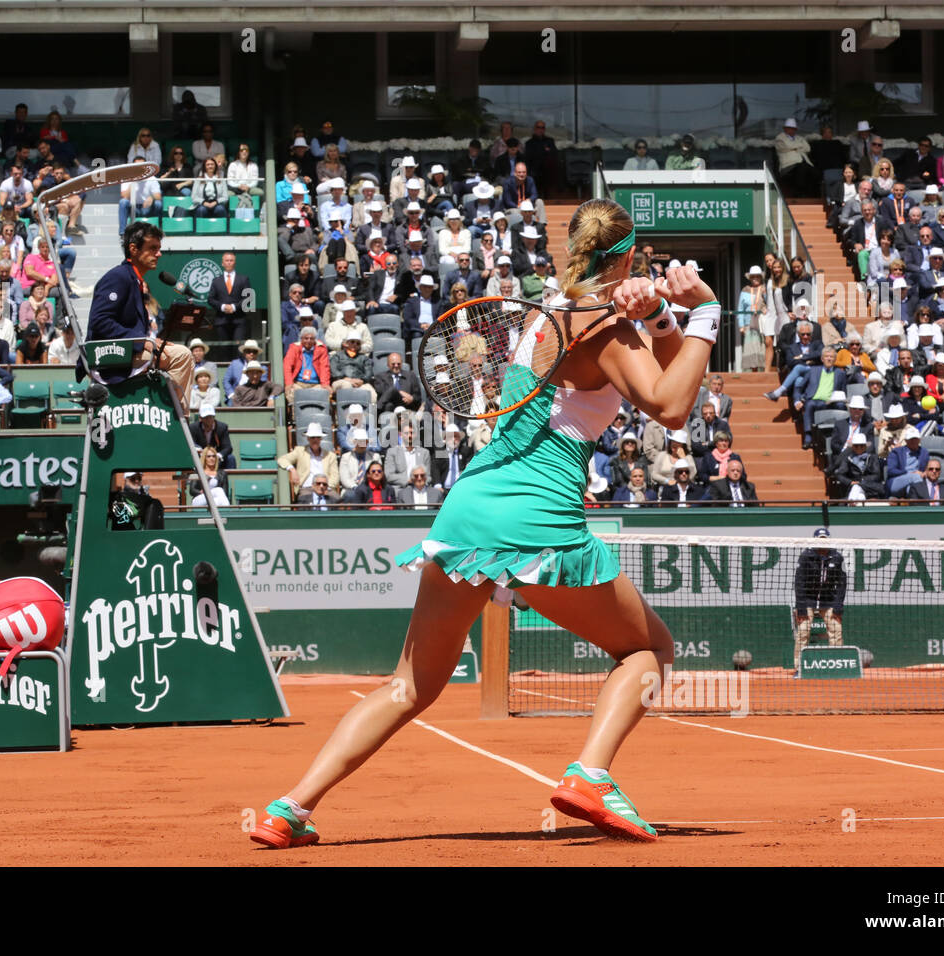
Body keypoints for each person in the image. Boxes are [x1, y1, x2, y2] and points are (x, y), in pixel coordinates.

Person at [250, 199, 719, 848]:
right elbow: (671, 406)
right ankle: (590, 774)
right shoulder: (604, 329)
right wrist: (708, 314)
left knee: (407, 685)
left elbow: (654, 362)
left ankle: (289, 808)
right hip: (535, 518)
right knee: (647, 650)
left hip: (468, 510)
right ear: (630, 257)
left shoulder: (551, 314)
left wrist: (663, 314)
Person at [86, 221, 193, 394]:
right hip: (110, 355)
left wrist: (148, 339)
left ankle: (171, 412)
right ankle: (175, 415)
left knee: (179, 352)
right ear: (134, 249)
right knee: (182, 356)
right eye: (152, 248)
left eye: (159, 248)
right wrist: (141, 340)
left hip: (129, 350)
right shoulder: (118, 277)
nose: (159, 254)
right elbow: (100, 321)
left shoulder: (134, 279)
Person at [791, 528, 846, 675]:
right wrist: (801, 607)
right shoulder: (805, 556)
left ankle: (836, 666)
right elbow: (799, 583)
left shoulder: (837, 557)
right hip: (807, 600)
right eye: (820, 538)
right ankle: (799, 668)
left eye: (825, 538)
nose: (822, 541)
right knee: (803, 632)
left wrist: (838, 606)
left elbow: (841, 583)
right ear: (814, 539)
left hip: (828, 600)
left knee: (836, 630)